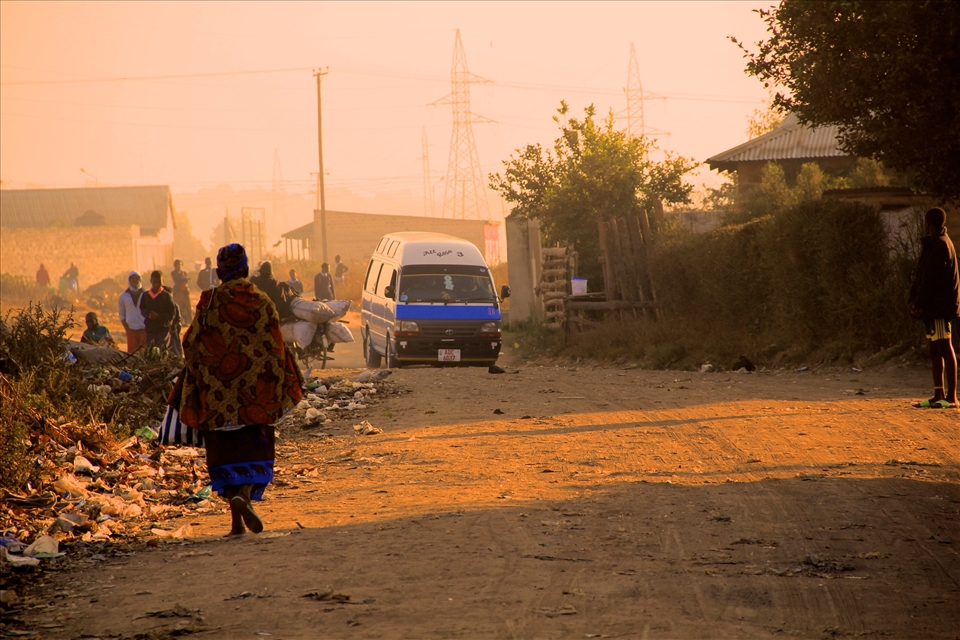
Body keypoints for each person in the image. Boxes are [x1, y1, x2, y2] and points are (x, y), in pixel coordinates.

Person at [175, 243, 303, 536]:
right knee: (254, 455)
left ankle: (236, 524)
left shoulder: (208, 301)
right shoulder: (261, 300)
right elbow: (276, 346)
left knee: (226, 458)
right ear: (246, 269)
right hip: (255, 400)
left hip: (218, 402)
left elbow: (191, 343)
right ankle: (244, 497)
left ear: (219, 273)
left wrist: (203, 377)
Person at [909, 207, 959, 409]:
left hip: (939, 308)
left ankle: (952, 397)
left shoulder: (941, 246)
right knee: (934, 348)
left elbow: (932, 281)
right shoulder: (936, 244)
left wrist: (919, 304)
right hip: (932, 307)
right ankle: (938, 393)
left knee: (945, 347)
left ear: (929, 224)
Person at [138, 270, 177, 351]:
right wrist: (148, 314)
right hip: (150, 329)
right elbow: (142, 309)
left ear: (163, 281)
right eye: (154, 282)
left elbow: (171, 313)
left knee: (160, 351)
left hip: (163, 329)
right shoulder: (145, 296)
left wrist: (158, 316)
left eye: (159, 282)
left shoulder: (166, 296)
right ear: (150, 281)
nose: (156, 284)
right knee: (150, 351)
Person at [118, 272, 147, 354]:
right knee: (132, 354)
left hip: (144, 329)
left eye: (137, 279)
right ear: (129, 281)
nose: (135, 281)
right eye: (133, 279)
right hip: (131, 329)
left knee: (145, 353)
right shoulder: (123, 296)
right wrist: (127, 329)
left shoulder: (146, 294)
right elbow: (122, 313)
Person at [170, 259, 193, 324]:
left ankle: (188, 321)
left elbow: (186, 280)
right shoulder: (173, 273)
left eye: (180, 264)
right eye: (178, 264)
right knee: (179, 306)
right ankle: (179, 321)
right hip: (178, 291)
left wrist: (184, 279)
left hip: (185, 291)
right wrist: (184, 278)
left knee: (187, 305)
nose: (179, 266)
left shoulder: (184, 273)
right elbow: (177, 280)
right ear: (175, 265)